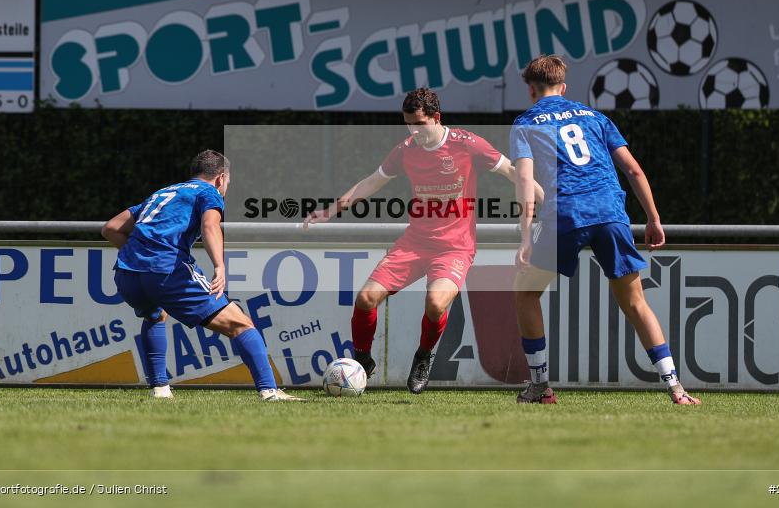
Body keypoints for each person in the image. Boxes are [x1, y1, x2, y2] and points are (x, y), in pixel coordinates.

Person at [304, 88, 543, 394]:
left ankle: (424, 355)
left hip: (455, 247)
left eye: (418, 124)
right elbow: (372, 181)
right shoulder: (405, 150)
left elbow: (513, 171)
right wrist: (332, 209)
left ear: (436, 118)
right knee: (365, 299)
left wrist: (548, 200)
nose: (413, 131)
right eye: (407, 124)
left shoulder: (466, 144)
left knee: (435, 302)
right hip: (414, 243)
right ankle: (362, 360)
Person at [509, 55, 700, 406]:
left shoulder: (526, 122)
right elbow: (634, 170)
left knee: (525, 293)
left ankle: (539, 386)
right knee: (634, 302)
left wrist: (525, 235)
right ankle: (676, 388)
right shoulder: (595, 117)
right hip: (611, 212)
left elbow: (524, 179)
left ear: (531, 90)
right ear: (564, 87)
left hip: (564, 214)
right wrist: (654, 217)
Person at [101, 150, 302, 401]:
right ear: (220, 178)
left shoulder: (162, 193)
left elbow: (110, 228)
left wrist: (138, 256)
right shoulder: (208, 192)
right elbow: (210, 226)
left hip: (126, 275)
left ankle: (160, 390)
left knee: (155, 314)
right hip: (166, 272)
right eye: (228, 182)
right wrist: (219, 266)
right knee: (241, 324)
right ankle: (270, 391)